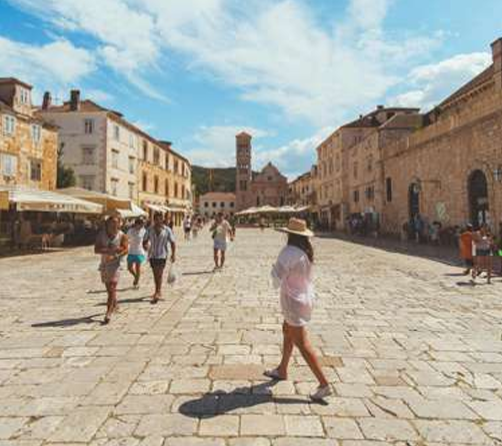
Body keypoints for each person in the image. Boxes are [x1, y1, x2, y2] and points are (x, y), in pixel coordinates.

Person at [265, 218, 331, 401]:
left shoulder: (288, 252)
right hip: (303, 298)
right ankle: (282, 369)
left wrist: (274, 270)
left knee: (302, 343)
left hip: (293, 301)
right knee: (287, 330)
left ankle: (324, 384)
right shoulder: (305, 251)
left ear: (289, 234)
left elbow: (276, 278)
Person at [94, 215, 128, 324]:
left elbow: (126, 249)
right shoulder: (101, 235)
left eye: (116, 223)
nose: (114, 225)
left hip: (116, 264)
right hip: (105, 264)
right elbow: (96, 249)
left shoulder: (122, 235)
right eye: (112, 223)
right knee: (109, 289)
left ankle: (108, 312)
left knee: (112, 287)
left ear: (119, 224)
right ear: (107, 224)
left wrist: (117, 253)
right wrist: (108, 250)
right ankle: (114, 303)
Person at [144, 213, 176, 303]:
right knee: (155, 274)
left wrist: (173, 254)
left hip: (162, 255)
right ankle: (158, 290)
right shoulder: (149, 229)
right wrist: (146, 247)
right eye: (156, 219)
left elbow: (172, 242)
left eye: (159, 219)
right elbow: (145, 240)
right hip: (152, 255)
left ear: (162, 220)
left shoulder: (167, 230)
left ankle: (157, 292)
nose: (158, 221)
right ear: (154, 220)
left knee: (159, 273)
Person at [127, 218, 147, 288]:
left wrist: (146, 245)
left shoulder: (144, 231)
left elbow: (146, 240)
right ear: (136, 224)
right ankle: (136, 277)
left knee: (138, 268)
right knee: (129, 268)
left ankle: (137, 282)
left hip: (139, 252)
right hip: (131, 251)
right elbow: (126, 238)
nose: (141, 226)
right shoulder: (130, 231)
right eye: (140, 224)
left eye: (142, 225)